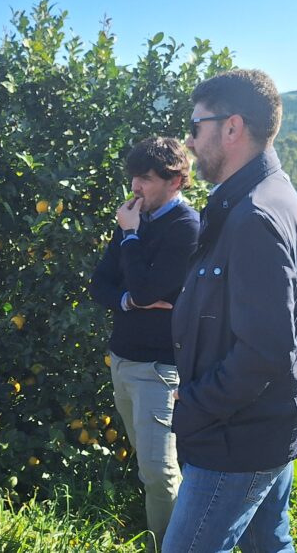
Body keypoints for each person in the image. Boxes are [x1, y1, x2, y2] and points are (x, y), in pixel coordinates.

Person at [162, 69, 297, 552]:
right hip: (260, 425)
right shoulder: (261, 196)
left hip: (238, 435)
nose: (188, 141)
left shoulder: (255, 216)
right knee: (267, 544)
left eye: (195, 127)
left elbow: (265, 352)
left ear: (231, 128)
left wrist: (195, 403)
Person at [90, 137, 200, 547]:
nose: (135, 188)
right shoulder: (136, 221)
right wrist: (130, 301)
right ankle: (182, 535)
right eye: (133, 177)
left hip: (159, 369)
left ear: (175, 181)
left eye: (146, 179)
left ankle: (171, 545)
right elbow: (100, 284)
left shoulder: (185, 228)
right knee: (150, 468)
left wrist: (131, 240)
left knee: (160, 472)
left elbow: (144, 285)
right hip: (122, 361)